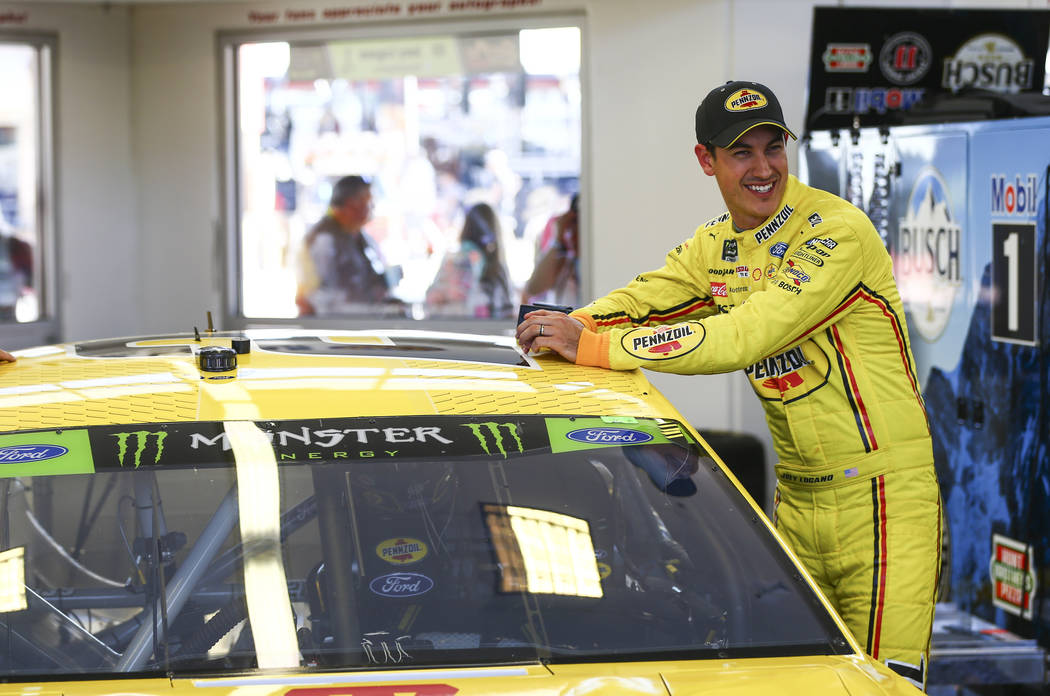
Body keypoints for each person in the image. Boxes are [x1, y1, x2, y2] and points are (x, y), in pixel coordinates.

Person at [517, 80, 940, 690]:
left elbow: (746, 334)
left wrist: (595, 346)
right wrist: (570, 324)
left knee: (880, 686)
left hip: (883, 498)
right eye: (742, 152)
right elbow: (642, 299)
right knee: (800, 683)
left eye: (773, 148)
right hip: (797, 500)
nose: (763, 168)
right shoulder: (714, 244)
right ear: (706, 160)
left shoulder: (837, 232)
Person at [295, 175, 397, 316]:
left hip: (351, 324)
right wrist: (377, 310)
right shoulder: (324, 240)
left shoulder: (356, 235)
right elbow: (328, 300)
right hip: (328, 328)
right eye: (368, 202)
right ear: (352, 204)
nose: (371, 208)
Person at [425, 203, 514, 318]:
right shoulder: (497, 269)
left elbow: (431, 298)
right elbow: (506, 311)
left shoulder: (451, 259)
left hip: (447, 329)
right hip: (484, 332)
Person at [521, 194, 579, 307]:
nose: (574, 231)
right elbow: (533, 288)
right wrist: (557, 240)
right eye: (572, 223)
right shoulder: (564, 263)